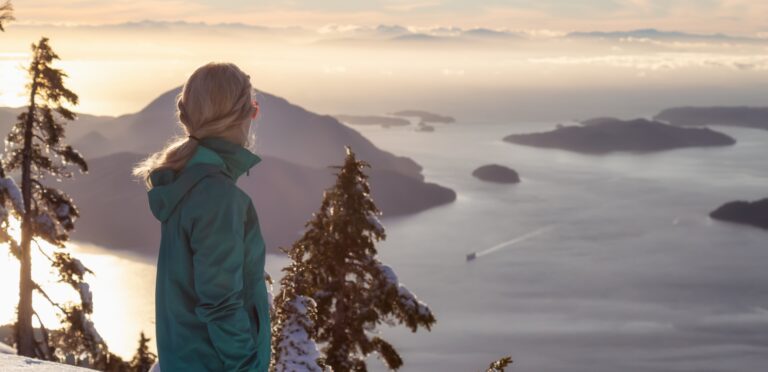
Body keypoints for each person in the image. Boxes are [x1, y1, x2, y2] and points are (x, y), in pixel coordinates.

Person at [132, 62, 271, 371]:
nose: (254, 116)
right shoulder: (217, 199)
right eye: (253, 108)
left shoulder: (186, 184)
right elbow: (220, 305)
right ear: (240, 117)